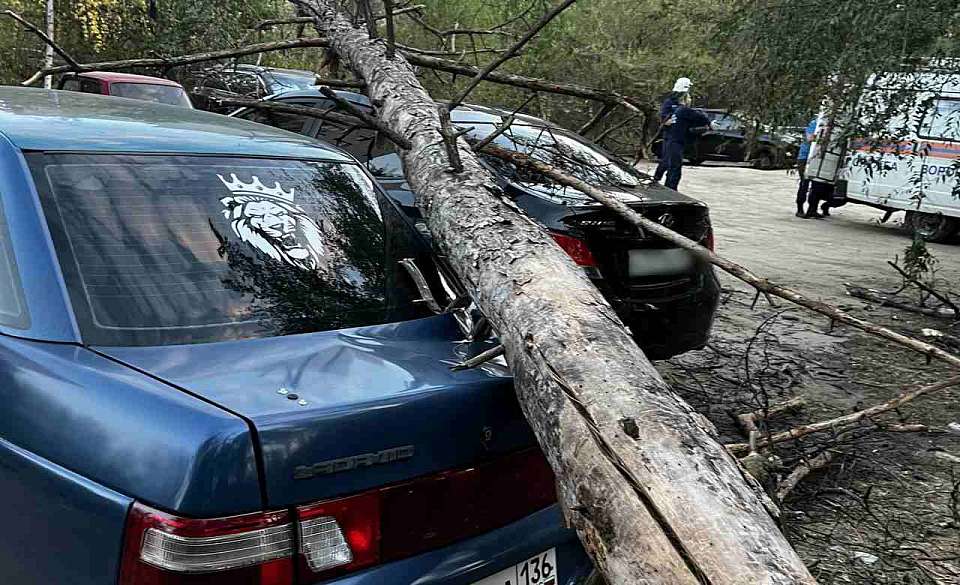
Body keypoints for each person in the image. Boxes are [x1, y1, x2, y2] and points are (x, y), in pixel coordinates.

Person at [661, 93, 711, 190]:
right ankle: (671, 190)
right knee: (675, 169)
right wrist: (709, 123)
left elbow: (689, 128)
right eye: (689, 97)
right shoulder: (684, 110)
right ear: (684, 99)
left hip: (674, 141)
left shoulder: (678, 111)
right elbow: (700, 117)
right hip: (676, 142)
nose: (690, 99)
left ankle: (668, 188)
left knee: (672, 168)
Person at [653, 77, 691, 183]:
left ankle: (670, 184)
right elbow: (664, 120)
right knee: (667, 161)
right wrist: (674, 119)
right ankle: (656, 179)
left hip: (680, 137)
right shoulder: (669, 102)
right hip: (670, 136)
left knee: (675, 163)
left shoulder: (686, 102)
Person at [794, 117, 817, 218]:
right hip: (805, 157)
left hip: (816, 158)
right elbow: (810, 138)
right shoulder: (815, 123)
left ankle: (812, 209)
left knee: (817, 186)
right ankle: (800, 208)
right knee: (804, 183)